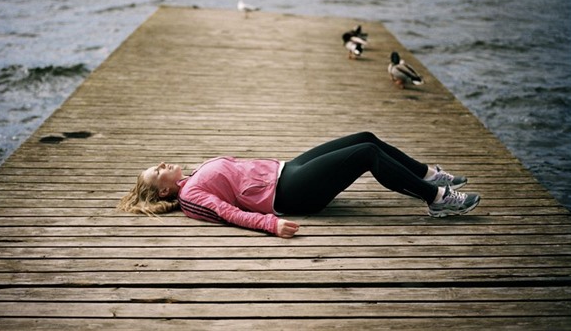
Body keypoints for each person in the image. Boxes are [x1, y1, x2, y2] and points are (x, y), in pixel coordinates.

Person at [118, 132, 480, 238]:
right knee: (366, 153)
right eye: (156, 171)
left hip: (287, 169)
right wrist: (270, 225)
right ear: (164, 190)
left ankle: (428, 174)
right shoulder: (193, 196)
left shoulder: (190, 177)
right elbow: (228, 213)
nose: (162, 164)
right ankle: (437, 198)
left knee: (365, 136)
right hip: (289, 193)